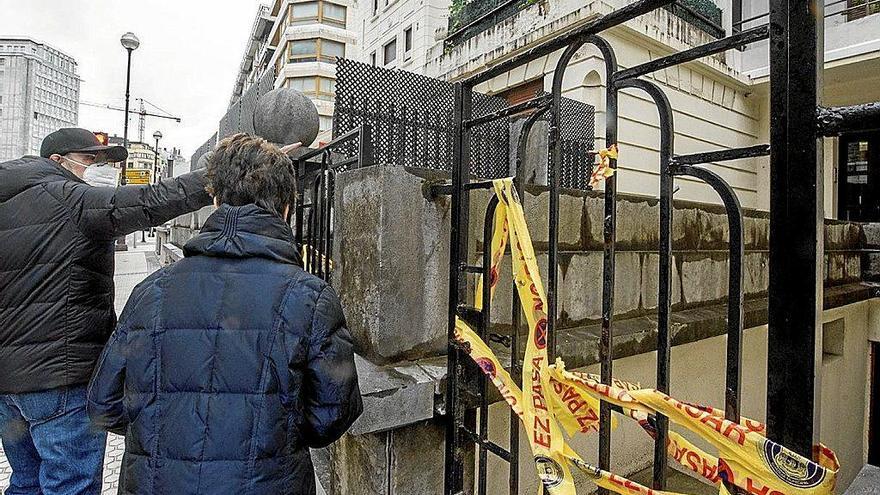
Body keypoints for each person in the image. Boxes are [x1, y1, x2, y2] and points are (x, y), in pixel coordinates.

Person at [87, 133, 362, 495]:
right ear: (286, 208)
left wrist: (163, 431)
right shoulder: (310, 298)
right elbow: (331, 416)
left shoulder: (150, 292)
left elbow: (103, 404)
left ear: (215, 200)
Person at [0, 127, 212, 495]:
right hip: (60, 379)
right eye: (90, 160)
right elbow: (149, 201)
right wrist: (223, 173)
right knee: (70, 486)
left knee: (25, 482)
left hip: (7, 385)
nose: (100, 170)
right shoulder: (69, 197)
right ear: (58, 162)